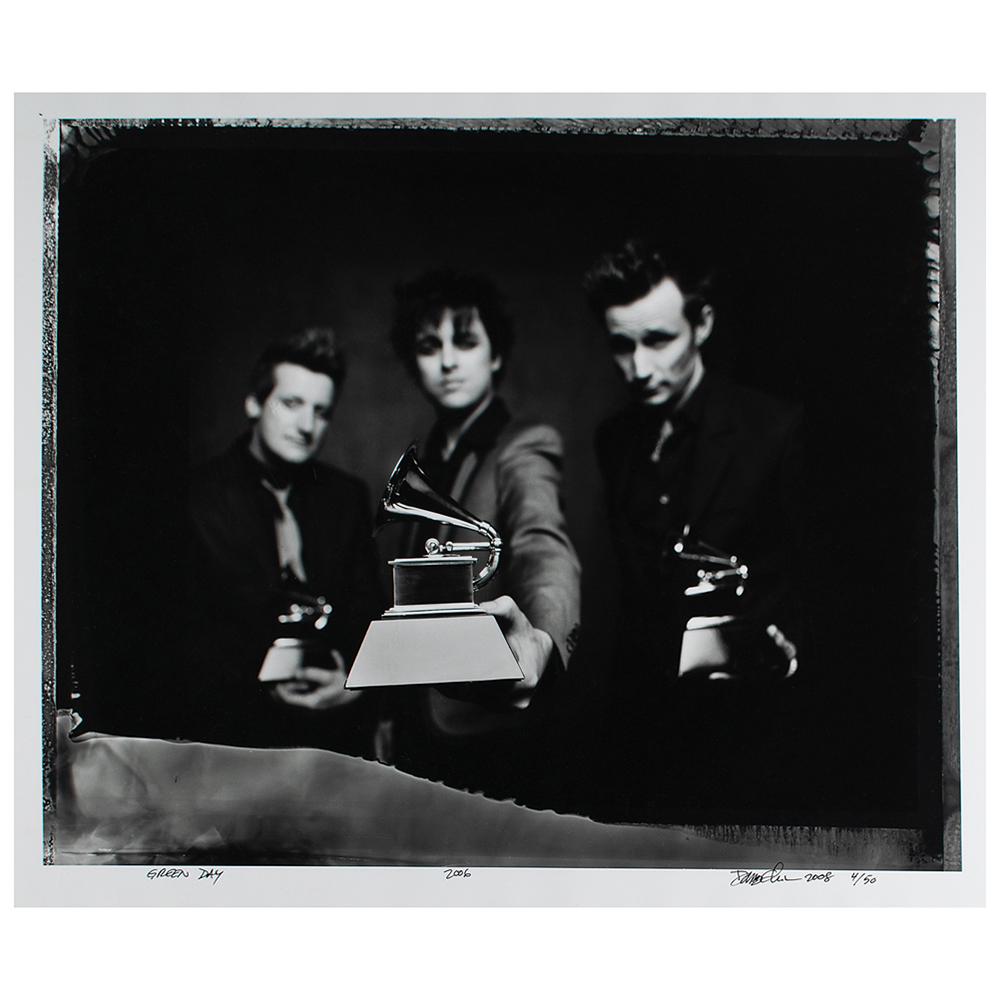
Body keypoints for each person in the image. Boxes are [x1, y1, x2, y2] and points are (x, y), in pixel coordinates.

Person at [582, 238, 804, 818]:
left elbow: (809, 591)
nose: (639, 368)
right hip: (641, 740)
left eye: (659, 340)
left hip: (747, 735)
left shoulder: (774, 429)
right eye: (622, 345)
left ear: (702, 324)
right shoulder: (613, 441)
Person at [381, 270, 581, 801]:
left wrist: (542, 640)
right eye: (430, 346)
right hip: (417, 733)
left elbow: (545, 548)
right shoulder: (424, 463)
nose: (448, 361)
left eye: (466, 341)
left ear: (496, 356)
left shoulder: (525, 445)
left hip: (488, 736)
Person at [183, 327, 384, 754]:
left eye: (321, 412)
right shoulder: (197, 497)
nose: (307, 426)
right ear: (254, 403)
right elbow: (184, 639)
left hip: (334, 733)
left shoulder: (346, 497)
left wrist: (352, 685)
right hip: (233, 736)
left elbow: (368, 614)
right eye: (291, 404)